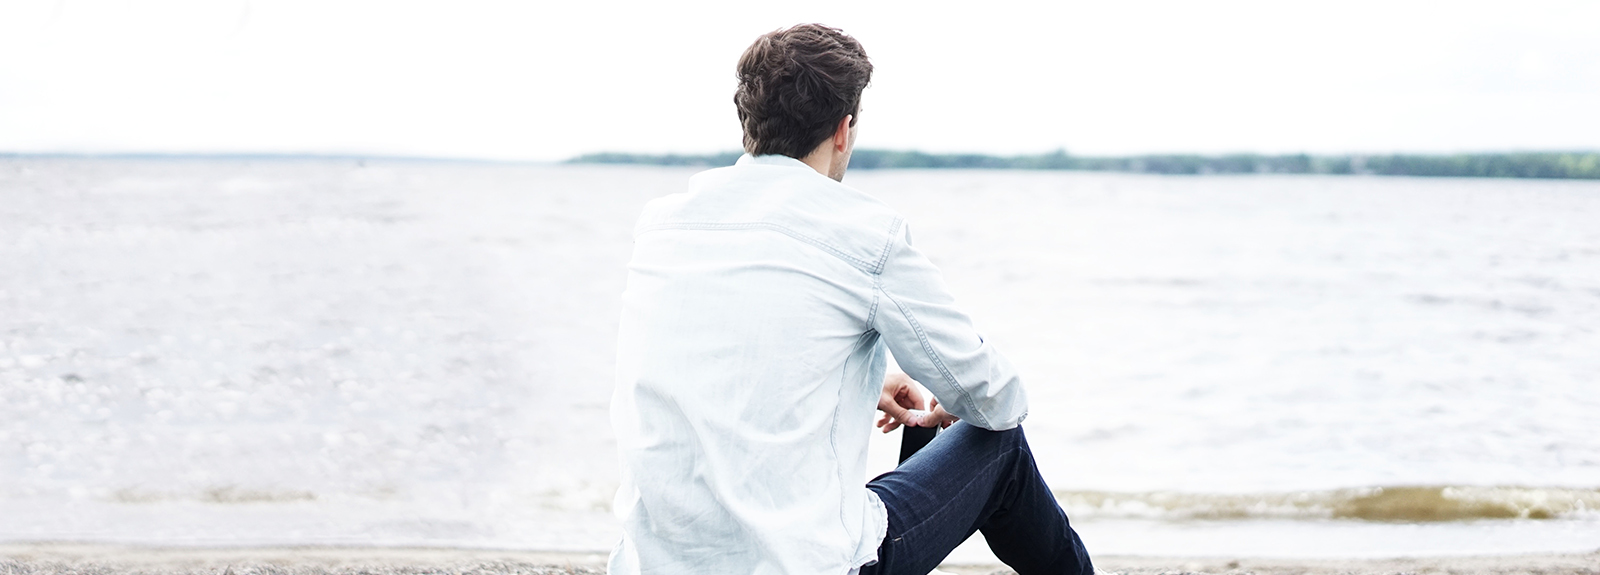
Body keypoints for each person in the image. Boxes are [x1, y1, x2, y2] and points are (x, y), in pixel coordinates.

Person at [608, 23, 1094, 575]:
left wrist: (864, 380)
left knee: (927, 418)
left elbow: (719, 362)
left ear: (748, 120)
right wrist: (949, 395)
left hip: (655, 563)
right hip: (804, 566)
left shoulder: (664, 224)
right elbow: (995, 396)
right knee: (998, 445)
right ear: (844, 129)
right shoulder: (864, 233)